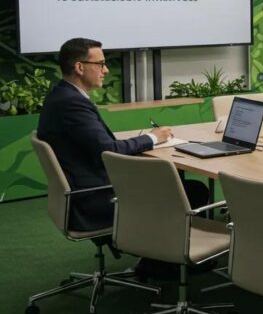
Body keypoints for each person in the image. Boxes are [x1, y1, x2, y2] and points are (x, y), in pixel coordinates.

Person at [36, 38, 208, 234]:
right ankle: (163, 260)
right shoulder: (72, 104)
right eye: (100, 64)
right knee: (192, 191)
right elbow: (108, 150)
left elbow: (101, 145)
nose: (106, 70)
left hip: (85, 187)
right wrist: (153, 138)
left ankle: (158, 252)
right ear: (79, 67)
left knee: (174, 182)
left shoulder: (61, 95)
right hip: (96, 198)